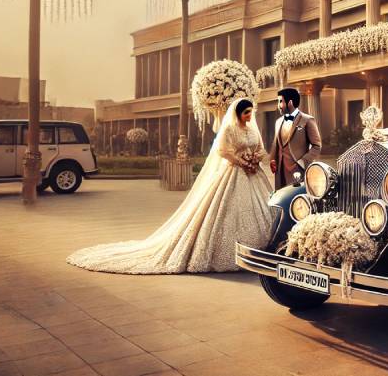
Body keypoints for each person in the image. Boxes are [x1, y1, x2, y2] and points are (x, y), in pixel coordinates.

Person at [67, 98, 275, 274]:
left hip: (253, 174)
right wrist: (241, 162)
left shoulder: (251, 129)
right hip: (233, 172)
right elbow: (222, 151)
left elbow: (259, 148)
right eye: (246, 113)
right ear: (238, 113)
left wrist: (255, 159)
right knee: (225, 211)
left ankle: (259, 247)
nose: (249, 116)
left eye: (251, 113)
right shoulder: (229, 128)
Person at [270, 87, 322, 189]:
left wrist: (302, 162)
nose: (278, 106)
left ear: (290, 102)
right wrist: (272, 160)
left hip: (298, 171)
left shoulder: (307, 120)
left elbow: (317, 146)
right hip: (280, 172)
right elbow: (276, 144)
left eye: (281, 102)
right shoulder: (278, 122)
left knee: (297, 201)